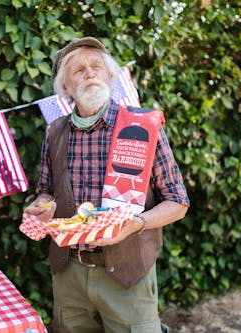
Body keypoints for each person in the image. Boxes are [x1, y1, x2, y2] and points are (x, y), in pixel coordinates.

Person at [24, 37, 190, 333]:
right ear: (66, 87)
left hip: (127, 273)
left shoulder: (142, 126)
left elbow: (177, 201)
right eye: (78, 70)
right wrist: (42, 206)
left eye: (96, 66)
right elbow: (46, 191)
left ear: (109, 76)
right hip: (69, 273)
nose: (89, 73)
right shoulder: (55, 131)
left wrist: (137, 224)